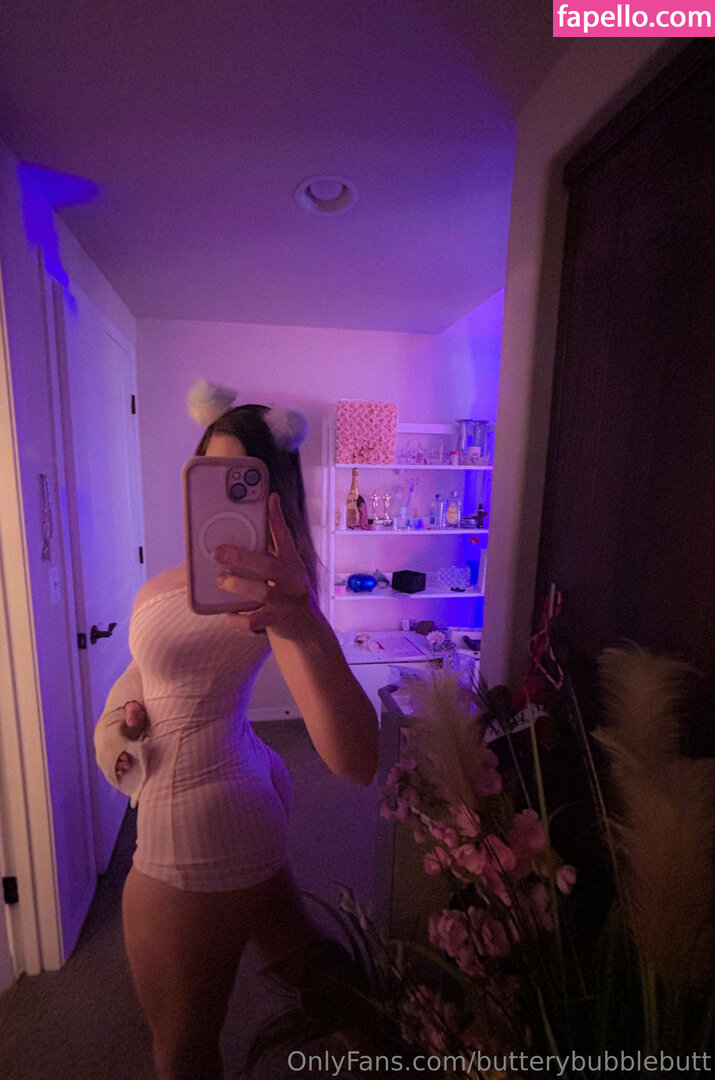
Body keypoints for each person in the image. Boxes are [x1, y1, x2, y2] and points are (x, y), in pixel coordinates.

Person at [94, 379, 379, 1080]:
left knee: (181, 1049)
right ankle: (400, 1042)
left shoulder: (269, 597)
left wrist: (301, 621)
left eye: (241, 482)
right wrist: (123, 718)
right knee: (304, 961)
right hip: (237, 790)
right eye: (208, 473)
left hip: (195, 818)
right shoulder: (178, 579)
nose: (222, 495)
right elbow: (149, 667)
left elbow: (356, 760)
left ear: (273, 496)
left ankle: (401, 1040)